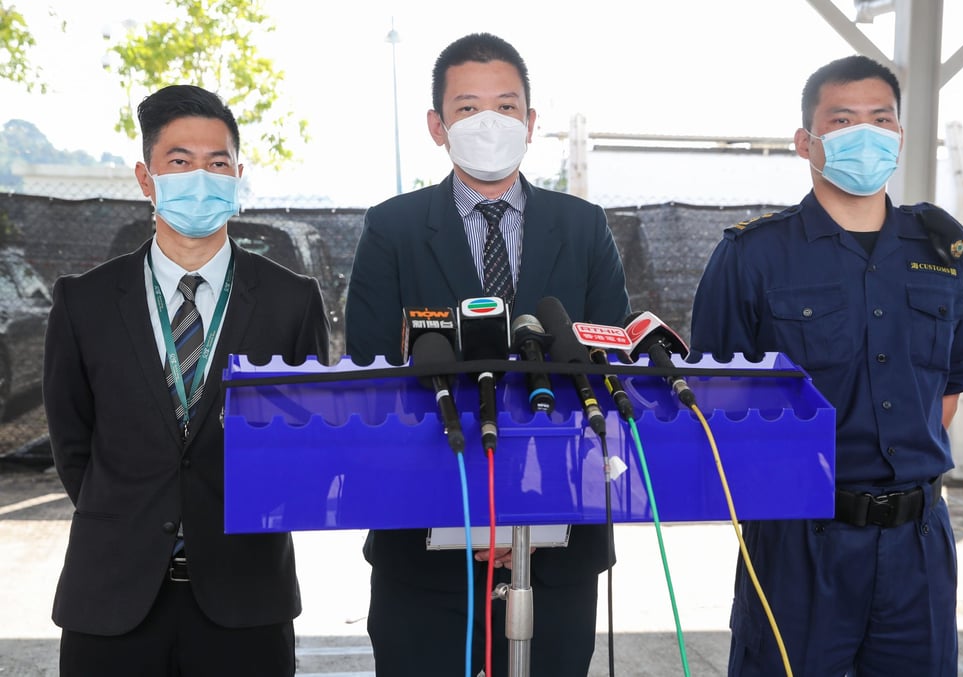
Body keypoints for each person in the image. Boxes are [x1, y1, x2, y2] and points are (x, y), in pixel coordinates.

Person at [345, 32, 630, 677]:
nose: (489, 123)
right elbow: (376, 380)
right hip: (424, 550)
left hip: (559, 544)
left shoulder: (584, 227)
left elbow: (604, 371)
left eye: (506, 107)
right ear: (437, 126)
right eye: (468, 108)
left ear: (530, 122)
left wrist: (525, 515)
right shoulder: (392, 229)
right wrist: (470, 514)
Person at [689, 55, 963, 676]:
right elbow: (717, 402)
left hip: (918, 548)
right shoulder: (752, 257)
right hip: (799, 543)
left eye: (881, 119)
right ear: (806, 142)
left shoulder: (946, 253)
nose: (866, 135)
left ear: (900, 135)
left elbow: (950, 389)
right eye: (843, 121)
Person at [43, 84, 330, 676]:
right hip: (112, 596)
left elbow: (306, 440)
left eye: (217, 163)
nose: (200, 177)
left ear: (238, 177)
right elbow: (73, 446)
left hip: (246, 597)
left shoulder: (291, 301)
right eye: (179, 161)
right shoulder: (84, 301)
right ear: (146, 179)